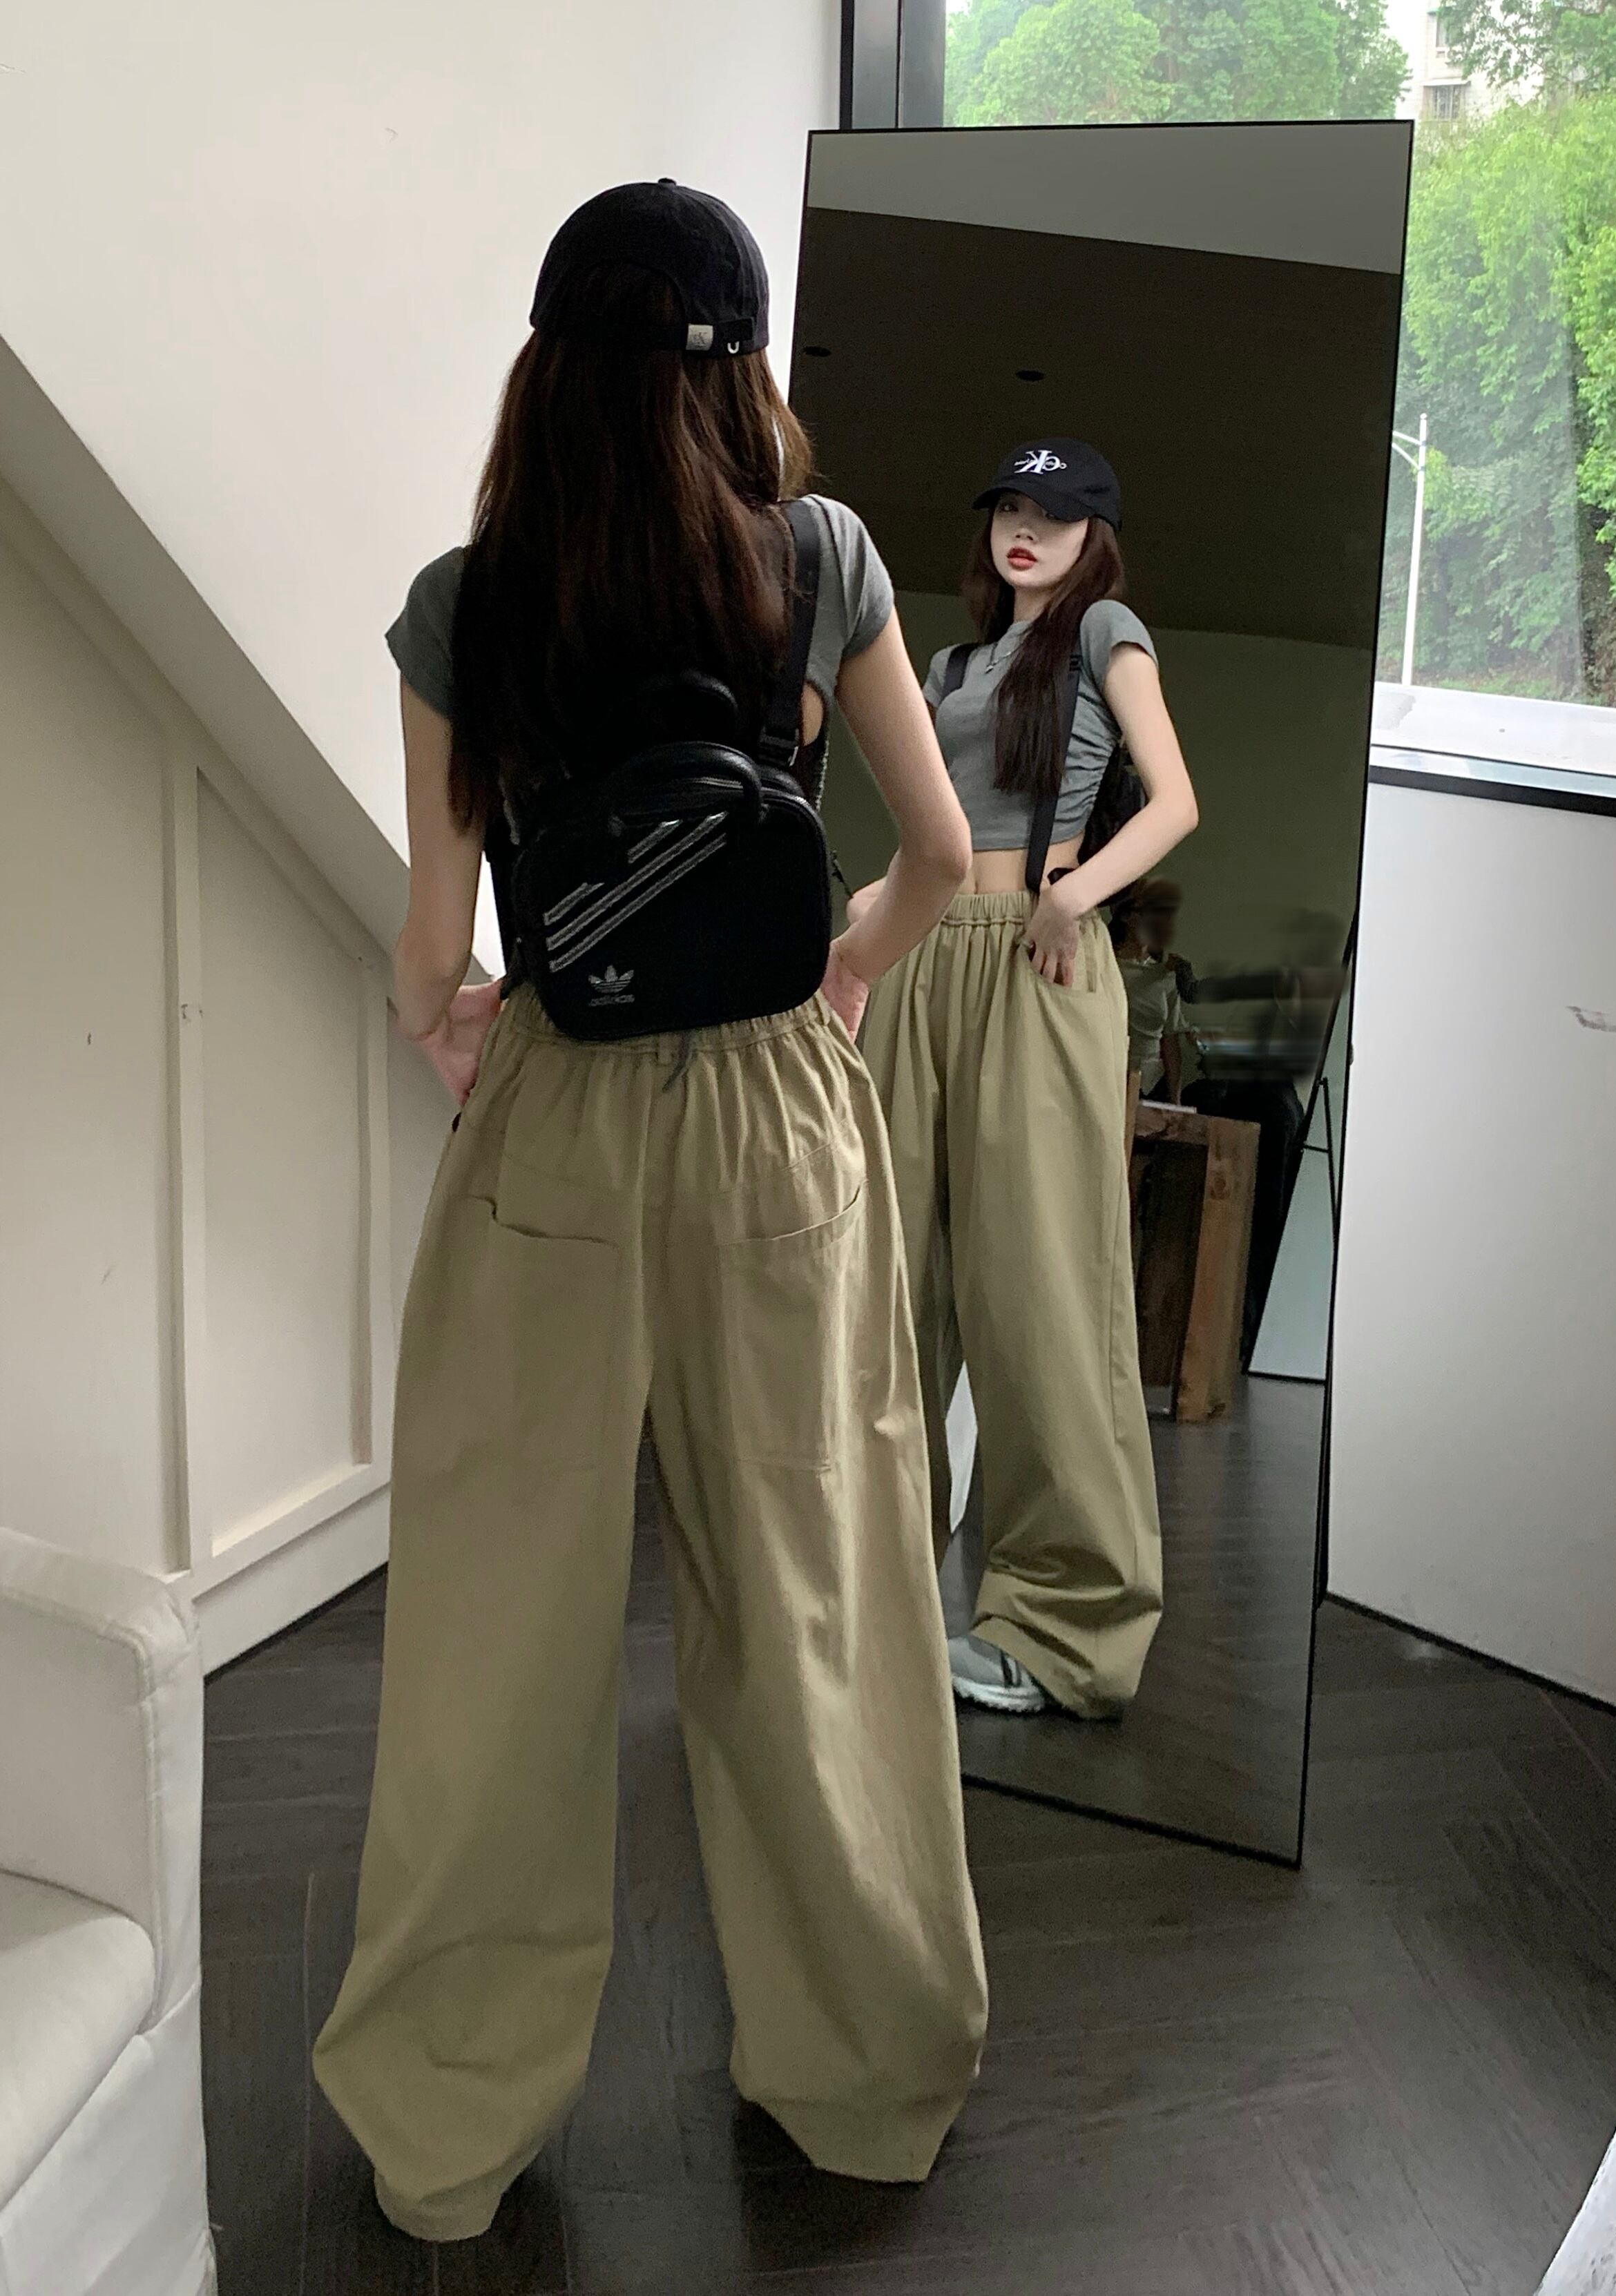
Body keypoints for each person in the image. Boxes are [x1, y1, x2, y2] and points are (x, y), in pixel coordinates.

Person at [310, 180, 988, 2242]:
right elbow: (935, 856)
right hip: (781, 1113)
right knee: (814, 1599)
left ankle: (444, 2132)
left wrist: (465, 1039)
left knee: (493, 1633)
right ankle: (862, 2078)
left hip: (553, 1123)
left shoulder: (466, 602)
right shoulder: (822, 557)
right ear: (739, 365)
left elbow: (431, 952)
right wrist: (838, 976)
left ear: (547, 368)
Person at [849, 439, 1198, 1721]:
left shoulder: (1103, 632)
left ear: (1091, 535)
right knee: (885, 1287)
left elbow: (1173, 801)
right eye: (1007, 505)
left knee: (1042, 1289)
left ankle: (1061, 1628)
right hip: (921, 958)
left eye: (1051, 514)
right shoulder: (947, 667)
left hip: (1035, 966)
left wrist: (1075, 893)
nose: (1023, 529)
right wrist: (868, 918)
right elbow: (930, 833)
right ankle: (870, 1600)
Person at [1110, 876, 1194, 1103]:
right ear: (1127, 916)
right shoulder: (1107, 967)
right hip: (1111, 1076)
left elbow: (1170, 1041)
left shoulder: (1164, 976)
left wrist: (1175, 1100)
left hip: (1151, 1084)